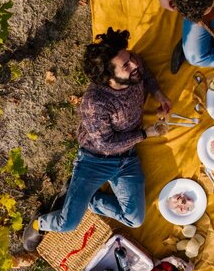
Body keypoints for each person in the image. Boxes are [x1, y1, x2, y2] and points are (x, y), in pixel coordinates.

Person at [22, 27, 171, 252]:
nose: (134, 65)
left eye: (131, 58)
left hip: (127, 157)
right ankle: (38, 223)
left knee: (135, 219)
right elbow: (105, 144)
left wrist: (158, 93)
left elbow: (145, 73)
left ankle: (89, 199)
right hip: (95, 160)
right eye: (126, 66)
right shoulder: (95, 102)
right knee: (68, 223)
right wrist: (145, 134)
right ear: (109, 77)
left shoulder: (135, 69)